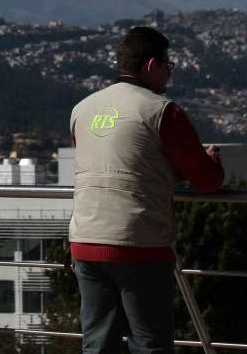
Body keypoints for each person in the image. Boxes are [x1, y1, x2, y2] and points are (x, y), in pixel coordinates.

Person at [70, 26, 224, 353]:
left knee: (97, 344)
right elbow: (207, 180)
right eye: (168, 65)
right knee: (150, 343)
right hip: (138, 242)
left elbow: (122, 161)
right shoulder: (161, 110)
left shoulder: (82, 110)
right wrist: (209, 162)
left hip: (85, 239)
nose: (170, 73)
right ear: (152, 65)